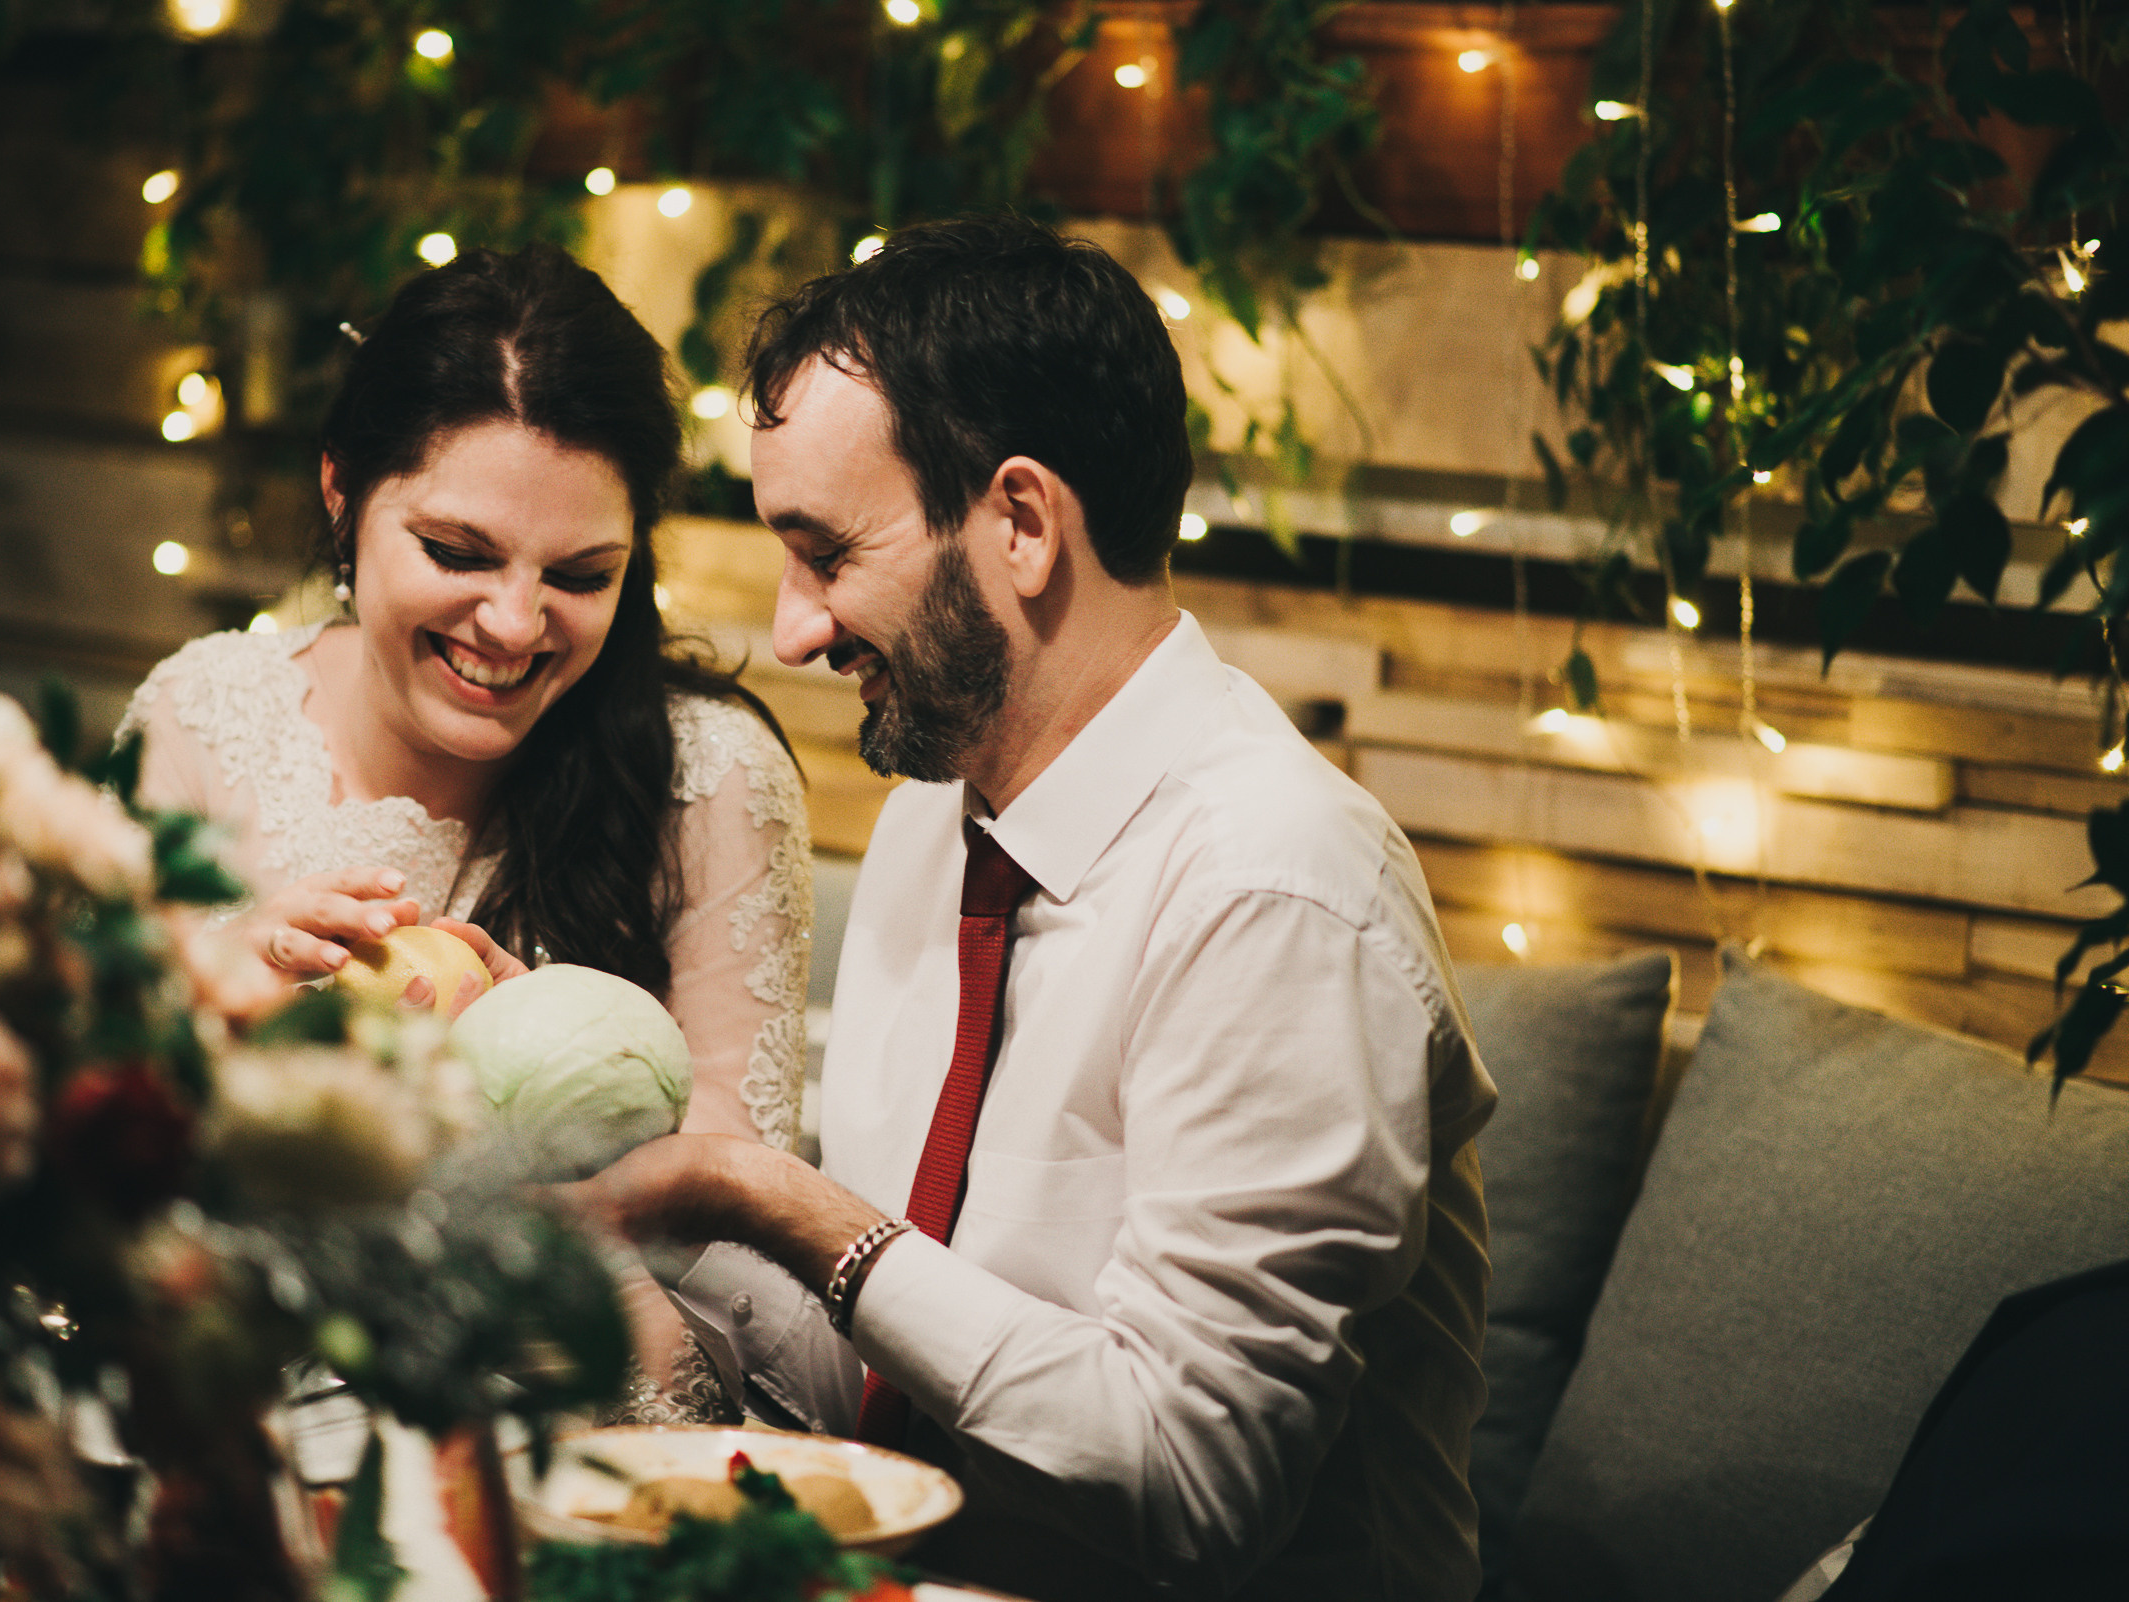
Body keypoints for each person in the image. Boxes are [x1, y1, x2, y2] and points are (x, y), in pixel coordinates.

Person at [583, 214, 1498, 1601]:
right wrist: (641, 1177)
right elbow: (890, 1372)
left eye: (825, 553)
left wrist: (791, 1204)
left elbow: (1199, 1484)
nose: (792, 631)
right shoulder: (933, 824)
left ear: (1019, 522)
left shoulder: (1275, 887)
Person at [119, 243, 811, 1417]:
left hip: (570, 1400)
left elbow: (739, 1234)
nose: (513, 623)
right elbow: (86, 1163)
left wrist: (513, 1135)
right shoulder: (198, 716)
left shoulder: (711, 778)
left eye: (583, 574)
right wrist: (213, 1001)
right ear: (343, 494)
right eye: (457, 553)